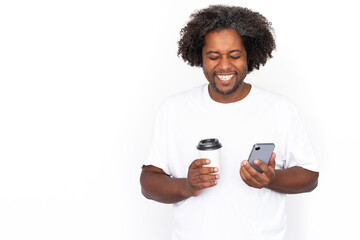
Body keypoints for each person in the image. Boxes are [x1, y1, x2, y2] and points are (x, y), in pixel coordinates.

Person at [140, 5, 319, 240]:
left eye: (234, 56)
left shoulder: (280, 109)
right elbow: (148, 181)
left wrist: (272, 178)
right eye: (213, 56)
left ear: (249, 55)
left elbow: (310, 177)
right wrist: (186, 186)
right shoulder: (174, 110)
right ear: (200, 57)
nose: (224, 66)